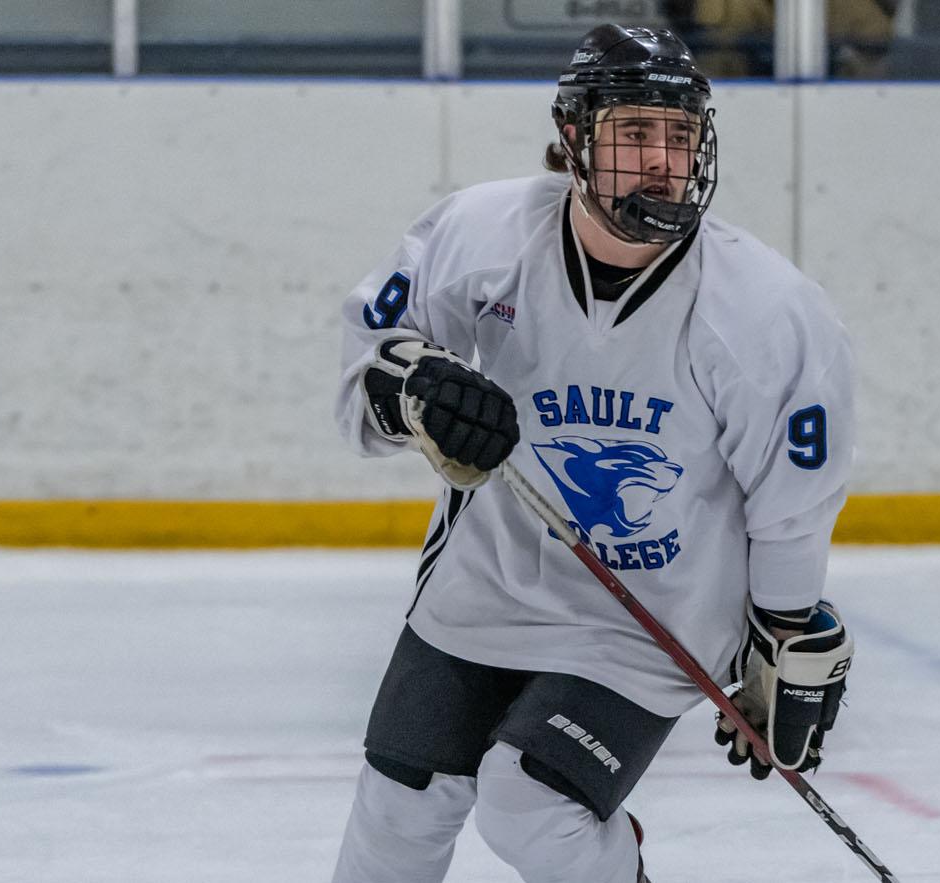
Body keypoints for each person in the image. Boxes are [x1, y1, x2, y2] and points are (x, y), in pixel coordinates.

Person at [331, 24, 857, 883]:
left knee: (531, 801)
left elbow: (792, 497)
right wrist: (416, 391)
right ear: (573, 139)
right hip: (489, 580)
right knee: (398, 807)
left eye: (680, 136)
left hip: (649, 614)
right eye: (636, 133)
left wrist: (784, 633)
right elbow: (376, 349)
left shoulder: (765, 309)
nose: (663, 160)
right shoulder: (481, 233)